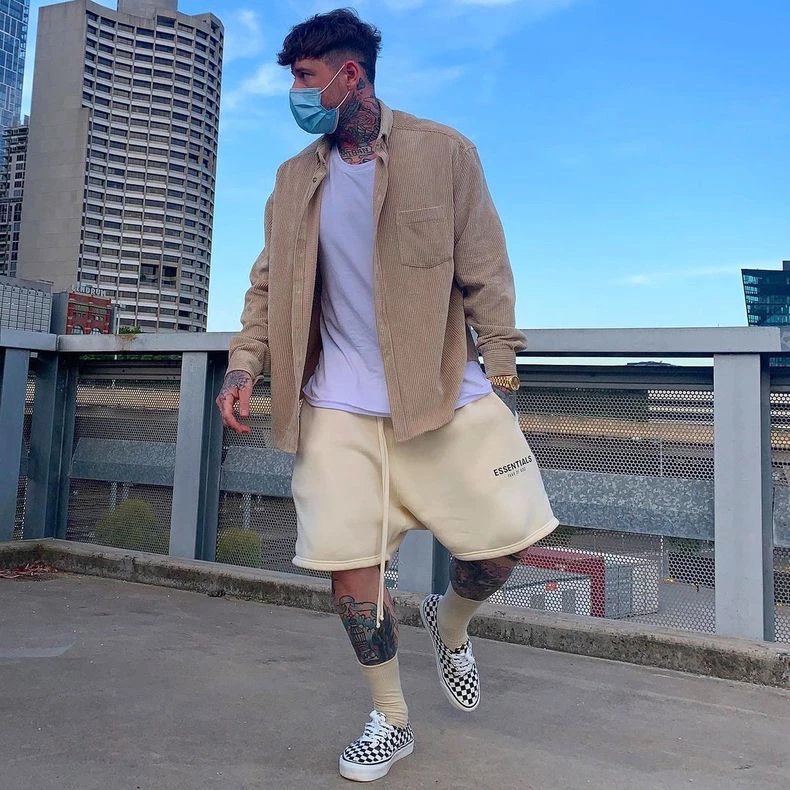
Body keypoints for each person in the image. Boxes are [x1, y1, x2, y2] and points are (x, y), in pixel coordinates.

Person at [217, 9, 558, 783]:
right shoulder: (292, 179)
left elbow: (486, 267)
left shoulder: (445, 153)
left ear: (351, 76)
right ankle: (391, 718)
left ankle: (452, 621)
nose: (296, 94)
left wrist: (501, 365)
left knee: (505, 547)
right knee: (350, 569)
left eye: (305, 78)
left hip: (440, 393)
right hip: (335, 407)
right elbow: (267, 286)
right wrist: (244, 366)